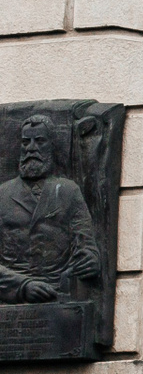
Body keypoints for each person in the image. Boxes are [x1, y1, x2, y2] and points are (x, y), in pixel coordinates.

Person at [0, 114, 100, 305]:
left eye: (39, 141)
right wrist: (22, 286)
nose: (31, 148)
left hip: (60, 295)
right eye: (26, 142)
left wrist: (90, 260)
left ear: (52, 146)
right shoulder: (2, 195)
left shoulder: (69, 191)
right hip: (12, 298)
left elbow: (86, 246)